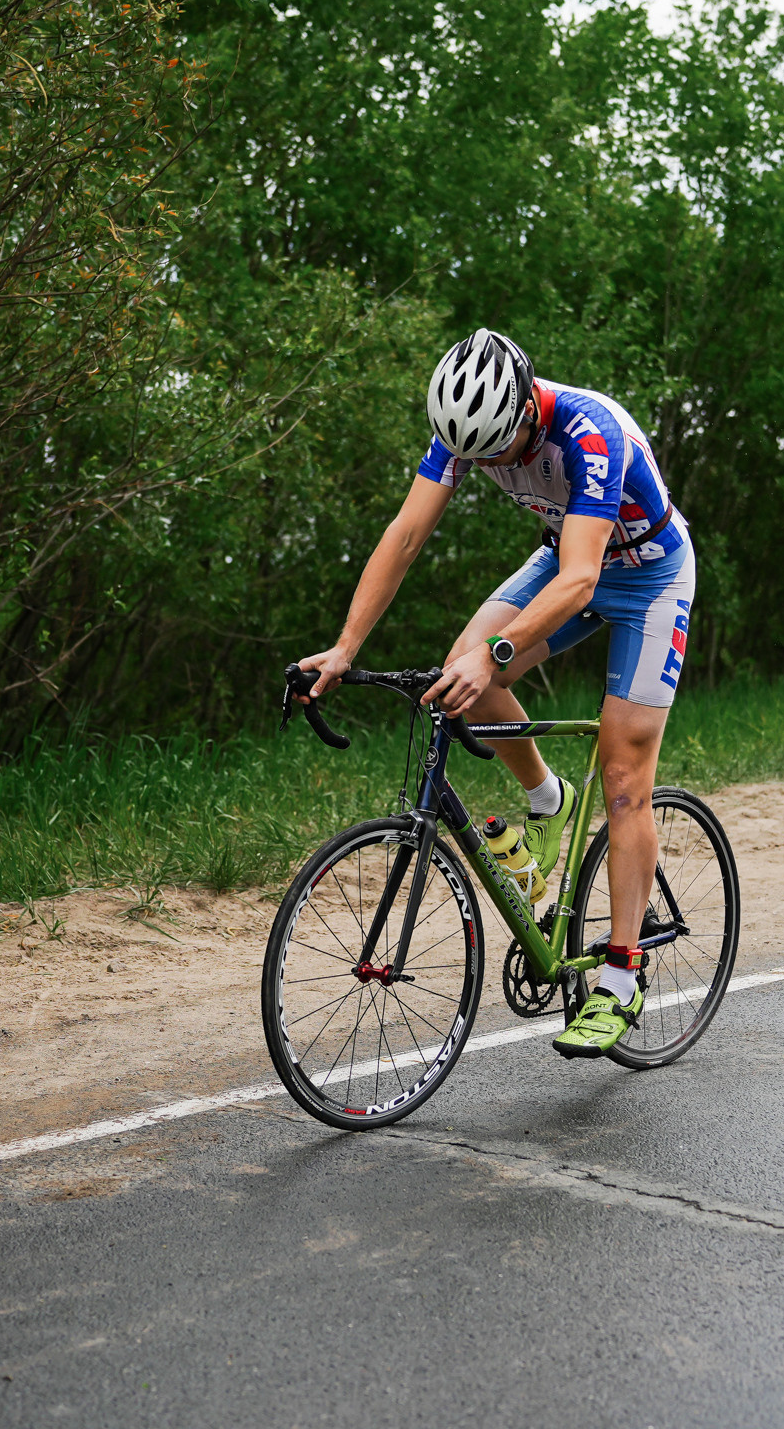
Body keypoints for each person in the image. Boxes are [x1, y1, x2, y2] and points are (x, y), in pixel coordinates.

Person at [297, 329, 694, 1059]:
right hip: (567, 559)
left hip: (648, 578)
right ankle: (549, 800)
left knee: (623, 777)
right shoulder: (464, 431)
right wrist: (346, 647)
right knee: (463, 676)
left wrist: (498, 653)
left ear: (525, 409)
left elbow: (581, 581)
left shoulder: (590, 434)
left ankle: (620, 979)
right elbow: (405, 535)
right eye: (475, 457)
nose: (491, 467)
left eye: (499, 451)